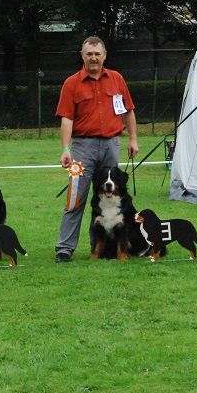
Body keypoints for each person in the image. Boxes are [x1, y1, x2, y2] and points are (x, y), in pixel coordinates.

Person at [55, 36, 138, 262]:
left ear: (104, 56)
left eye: (97, 54)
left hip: (112, 144)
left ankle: (106, 247)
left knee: (111, 197)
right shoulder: (71, 83)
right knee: (76, 198)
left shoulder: (117, 79)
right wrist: (65, 148)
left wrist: (133, 138)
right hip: (83, 147)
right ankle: (64, 248)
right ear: (82, 56)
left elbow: (128, 110)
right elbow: (66, 119)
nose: (93, 58)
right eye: (89, 54)